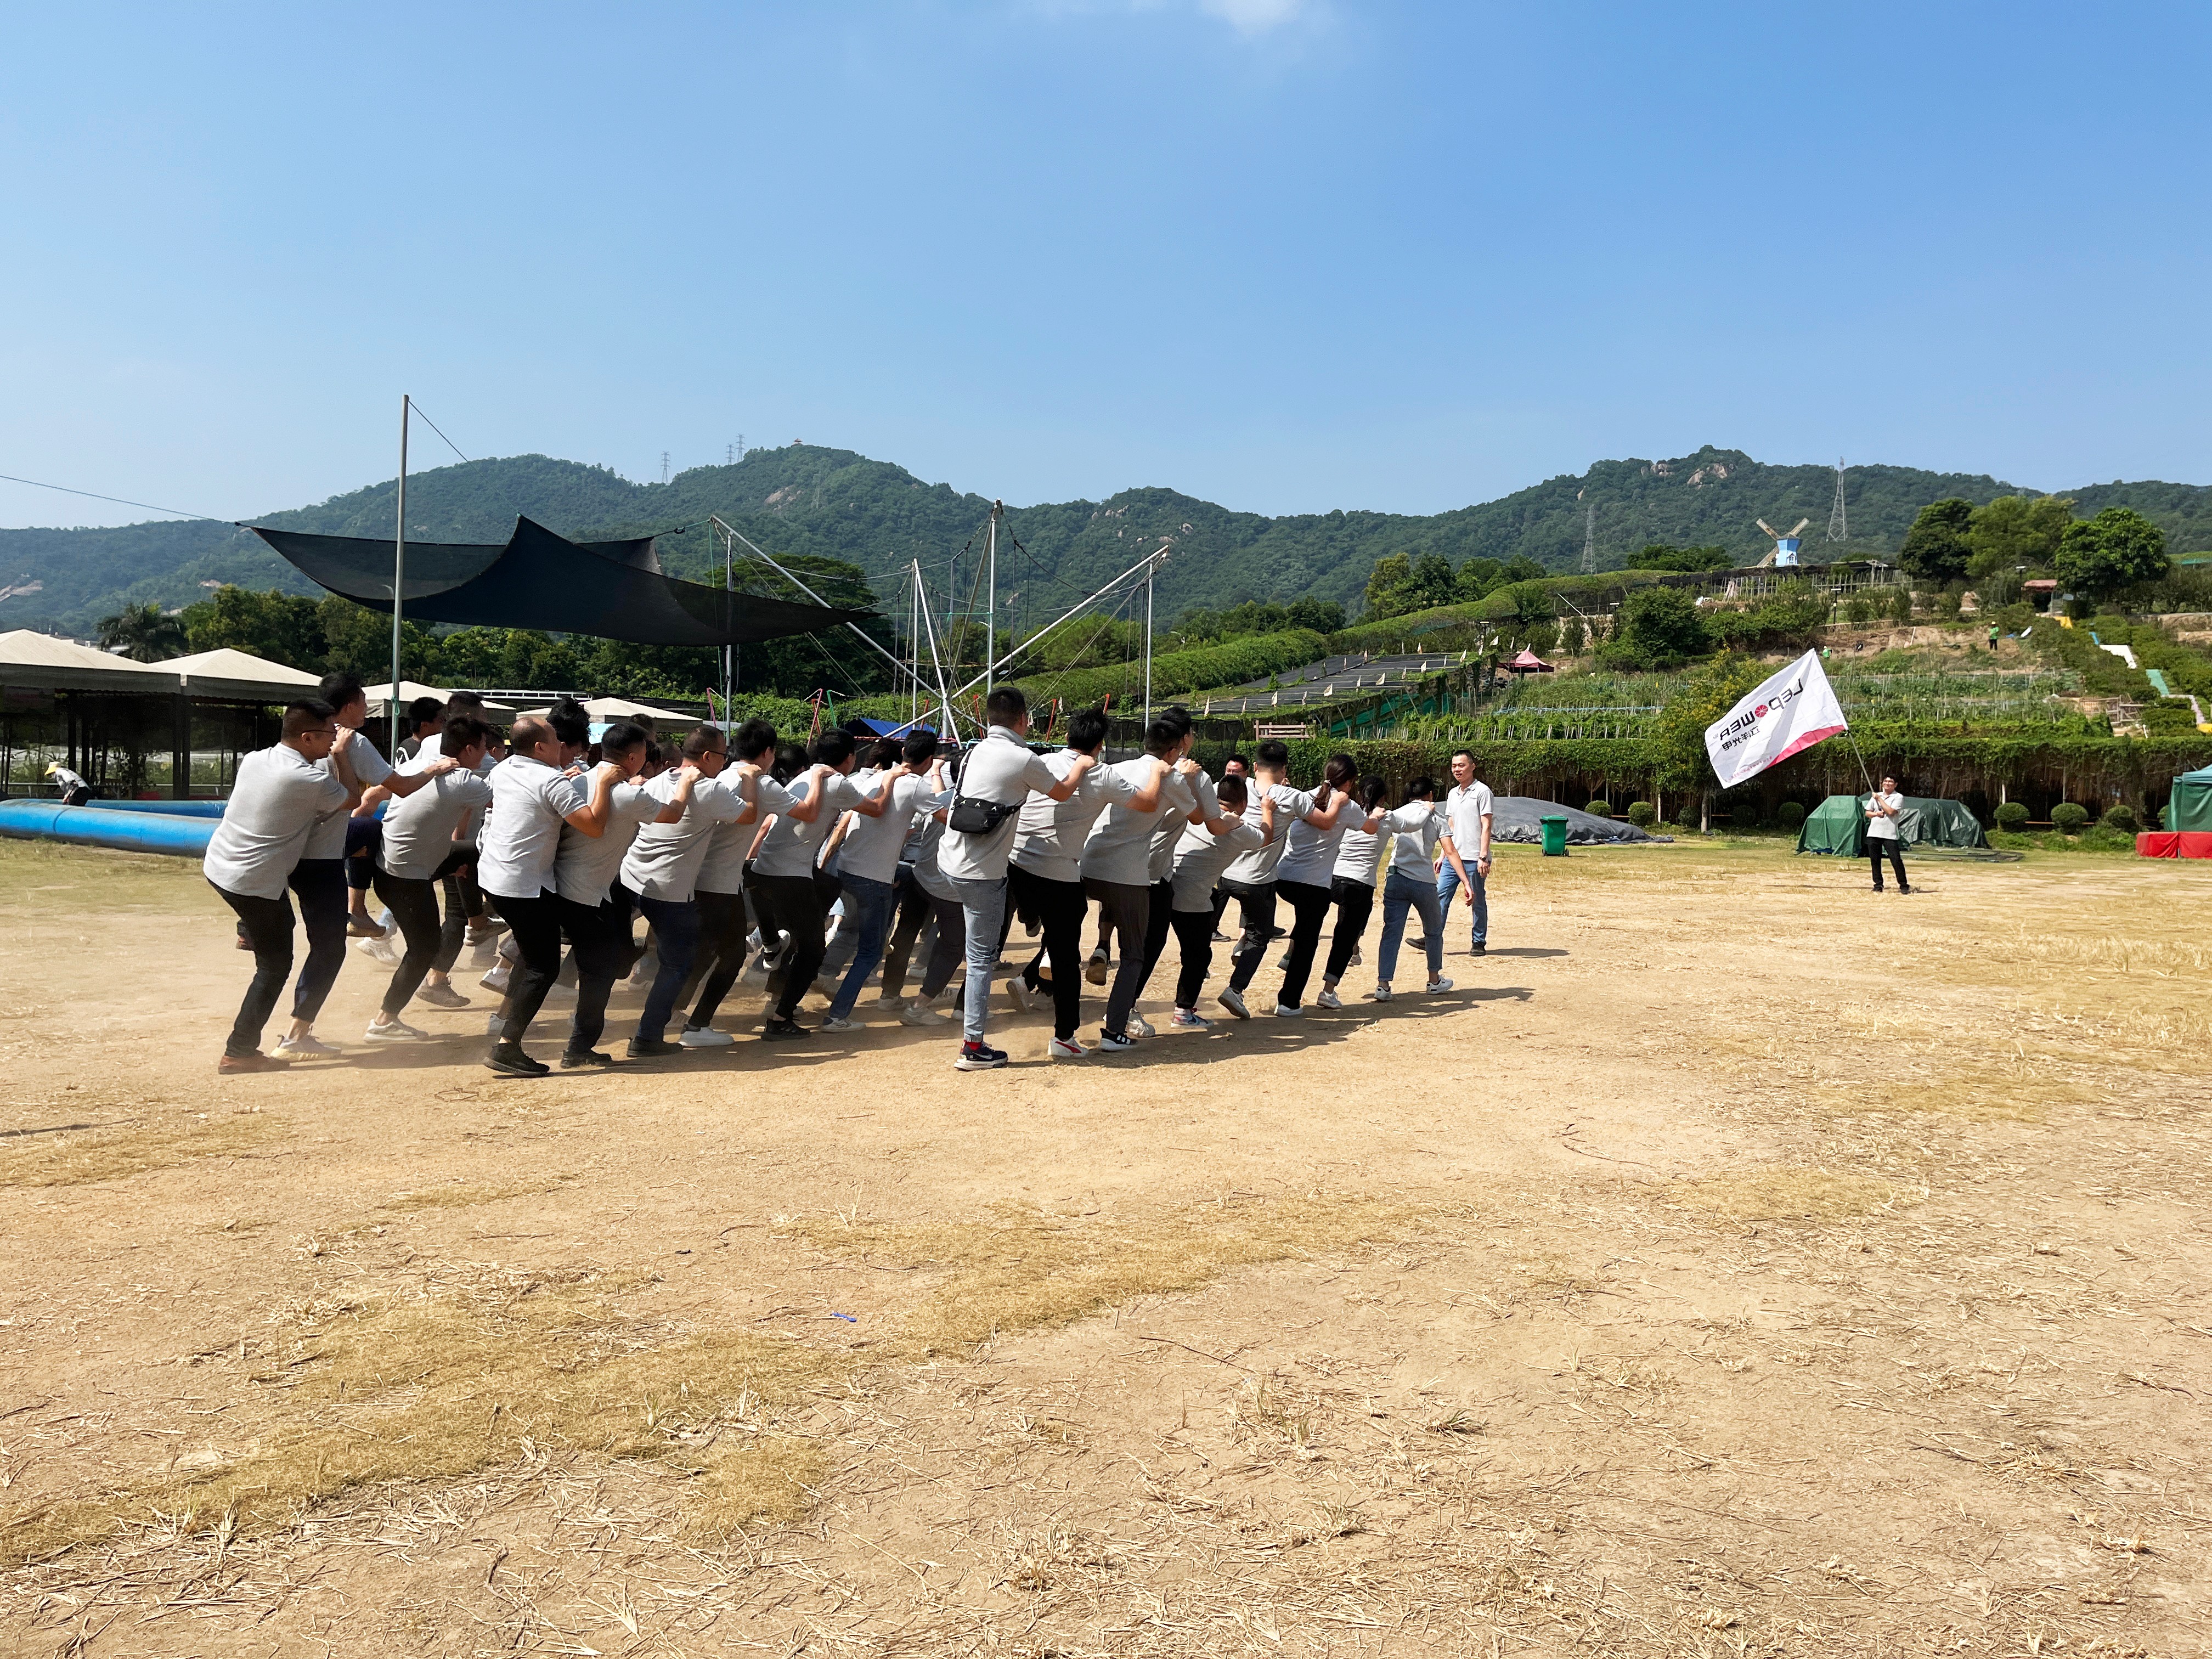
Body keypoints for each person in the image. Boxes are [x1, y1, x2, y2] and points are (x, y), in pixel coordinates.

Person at [270, 672, 460, 1056]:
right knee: (329, 949)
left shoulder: (296, 742)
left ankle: (355, 913)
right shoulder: (351, 742)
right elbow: (401, 787)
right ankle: (297, 1033)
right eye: (362, 701)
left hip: (287, 851)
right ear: (349, 706)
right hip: (321, 857)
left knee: (367, 830)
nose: (366, 708)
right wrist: (433, 769)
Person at [936, 686, 1094, 1070]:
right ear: (1024, 719)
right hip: (981, 874)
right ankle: (973, 1047)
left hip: (949, 860)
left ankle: (1028, 918)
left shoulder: (973, 752)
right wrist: (1081, 765)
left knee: (976, 940)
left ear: (988, 718)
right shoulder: (1024, 758)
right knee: (981, 959)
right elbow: (1062, 792)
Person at [200, 701, 357, 1073]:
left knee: (275, 924)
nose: (334, 739)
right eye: (330, 734)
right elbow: (352, 799)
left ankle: (249, 931)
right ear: (308, 737)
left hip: (220, 865)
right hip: (253, 880)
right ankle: (239, 1051)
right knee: (274, 966)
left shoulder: (256, 759)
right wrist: (341, 756)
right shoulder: (307, 778)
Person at [477, 708, 624, 1076]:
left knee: (533, 955)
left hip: (493, 878)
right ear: (541, 748)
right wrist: (603, 784)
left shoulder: (504, 769)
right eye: (557, 742)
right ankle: (507, 1046)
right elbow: (593, 827)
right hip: (524, 886)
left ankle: (506, 1021)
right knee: (544, 967)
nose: (564, 747)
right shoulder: (551, 781)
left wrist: (563, 782)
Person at [1006, 709, 1135, 1058]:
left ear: (1067, 737)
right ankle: (1064, 1037)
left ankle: (1031, 921)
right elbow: (1147, 800)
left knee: (1061, 920)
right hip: (1058, 873)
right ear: (1100, 745)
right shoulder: (1102, 773)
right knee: (1067, 956)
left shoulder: (1043, 762)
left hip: (1016, 864)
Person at [551, 720, 680, 1067]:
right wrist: (685, 783)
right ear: (634, 758)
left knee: (606, 959)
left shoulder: (577, 780)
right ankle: (578, 1047)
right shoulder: (629, 795)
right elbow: (673, 814)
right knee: (600, 971)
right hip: (586, 893)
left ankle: (570, 1038)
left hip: (570, 886)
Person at [619, 724, 749, 1056]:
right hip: (668, 888)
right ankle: (648, 1037)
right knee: (678, 963)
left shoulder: (660, 779)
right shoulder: (709, 789)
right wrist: (749, 778)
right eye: (723, 755)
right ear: (707, 756)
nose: (726, 761)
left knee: (647, 950)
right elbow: (748, 815)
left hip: (631, 876)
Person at [363, 714, 494, 1040]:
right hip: (406, 878)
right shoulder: (464, 781)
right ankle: (384, 1021)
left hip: (390, 865)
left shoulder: (416, 767)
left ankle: (477, 923)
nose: (487, 753)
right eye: (484, 747)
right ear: (469, 749)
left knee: (470, 854)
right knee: (424, 949)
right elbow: (511, 800)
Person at [822, 731, 946, 1032]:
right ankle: (837, 1016)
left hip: (847, 869)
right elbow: (946, 817)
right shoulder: (916, 785)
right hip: (872, 878)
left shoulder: (876, 777)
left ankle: (884, 940)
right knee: (869, 952)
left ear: (903, 753)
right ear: (929, 759)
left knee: (902, 879)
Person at [1075, 718, 1184, 1052]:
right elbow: (1199, 817)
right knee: (1135, 955)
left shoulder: (1116, 767)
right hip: (1128, 873)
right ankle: (1114, 1031)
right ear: (1174, 751)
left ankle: (1054, 963)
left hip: (1088, 862)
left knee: (1067, 927)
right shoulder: (1174, 777)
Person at [743, 730, 856, 1039]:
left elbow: (771, 824)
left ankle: (773, 970)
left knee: (801, 928)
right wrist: (890, 778)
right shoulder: (836, 782)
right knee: (814, 949)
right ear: (849, 758)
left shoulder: (801, 778)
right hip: (790, 875)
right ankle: (780, 1017)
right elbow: (875, 807)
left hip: (767, 870)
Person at [1214, 739, 1331, 1020]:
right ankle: (1235, 989)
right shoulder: (1289, 796)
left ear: (1254, 767)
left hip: (1225, 874)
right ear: (1284, 769)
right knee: (1261, 935)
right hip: (1257, 879)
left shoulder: (1241, 787)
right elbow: (1324, 821)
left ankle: (1190, 996)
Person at [1165, 773, 1274, 1029]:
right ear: (1243, 804)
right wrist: (1268, 810)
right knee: (1199, 956)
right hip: (1191, 898)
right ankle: (1183, 1013)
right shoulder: (1241, 831)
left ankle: (1125, 1010)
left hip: (1164, 884)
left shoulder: (1197, 814)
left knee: (1148, 951)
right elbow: (1266, 837)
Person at [1315, 775, 1412, 1009]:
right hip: (1359, 884)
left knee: (1325, 922)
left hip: (1333, 879)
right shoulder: (1387, 818)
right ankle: (1328, 990)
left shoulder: (1348, 811)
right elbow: (1413, 823)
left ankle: (1350, 949)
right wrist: (1427, 808)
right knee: (1344, 939)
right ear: (1383, 798)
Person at [1371, 776, 1453, 1001]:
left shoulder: (1396, 813)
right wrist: (1466, 882)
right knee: (1433, 931)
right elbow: (1450, 851)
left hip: (1397, 877)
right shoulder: (1436, 817)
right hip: (1424, 880)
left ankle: (1383, 985)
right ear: (1430, 795)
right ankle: (1434, 981)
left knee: (1391, 932)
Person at [1437, 749, 1493, 957]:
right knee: (1440, 896)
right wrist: (1443, 855)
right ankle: (1432, 936)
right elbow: (1450, 825)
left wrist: (1483, 856)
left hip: (1474, 858)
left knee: (1477, 900)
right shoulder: (1453, 793)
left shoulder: (1482, 792)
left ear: (1473, 766)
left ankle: (1479, 942)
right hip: (1453, 857)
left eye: (1461, 765)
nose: (1457, 769)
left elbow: (1486, 825)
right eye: (1454, 766)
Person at [1865, 775, 1910, 894]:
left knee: (1896, 860)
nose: (1887, 783)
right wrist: (1876, 814)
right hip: (1874, 833)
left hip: (1889, 835)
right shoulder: (1876, 796)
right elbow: (1868, 813)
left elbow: (1891, 812)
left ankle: (1904, 885)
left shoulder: (1898, 797)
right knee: (1875, 860)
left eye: (1891, 782)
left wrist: (1879, 799)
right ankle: (1878, 885)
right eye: (1886, 781)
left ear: (1895, 785)